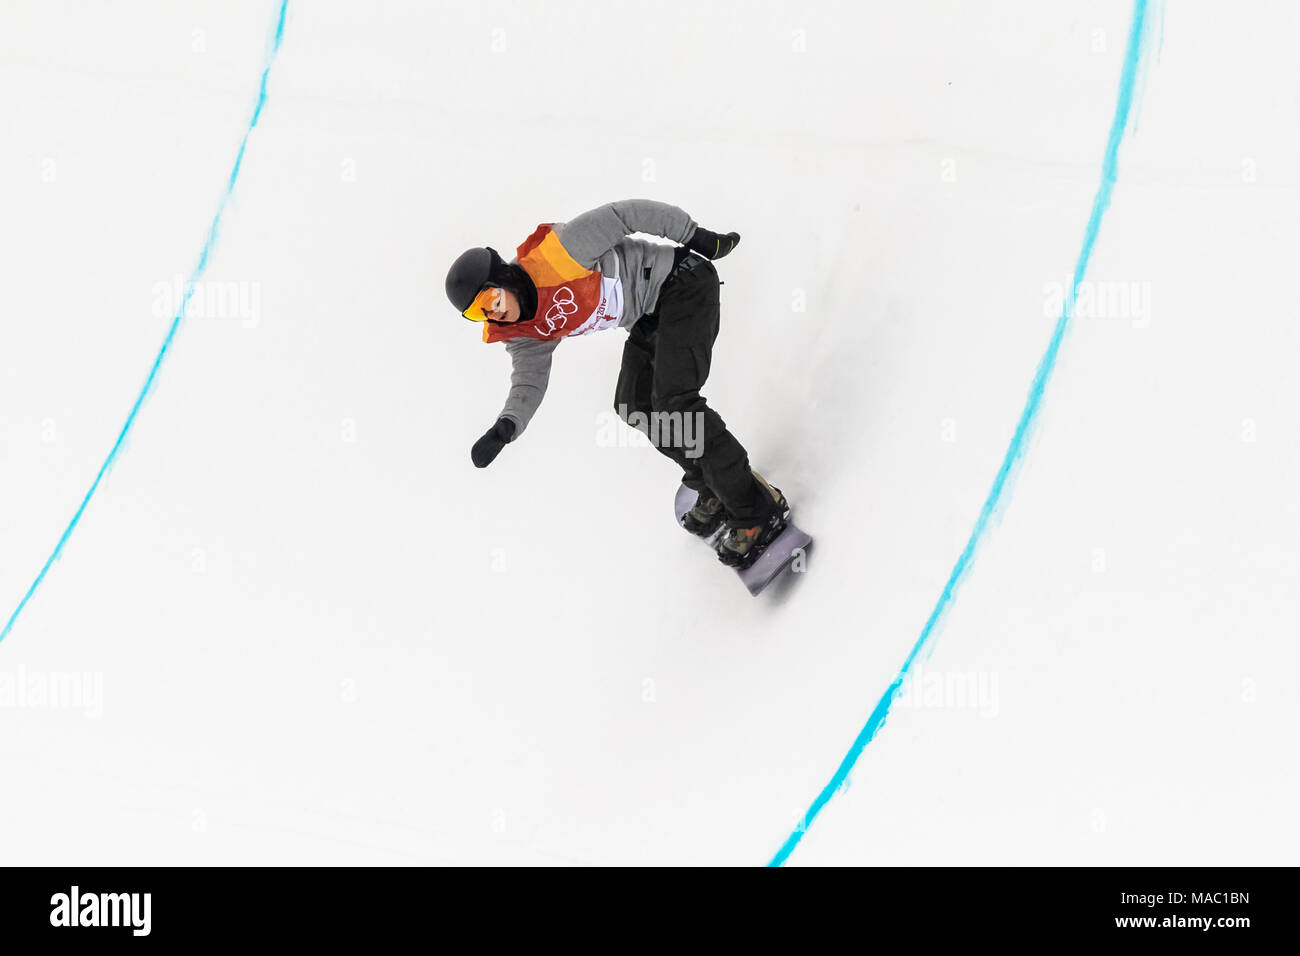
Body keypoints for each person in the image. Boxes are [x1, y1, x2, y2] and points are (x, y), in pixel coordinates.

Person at [445, 199, 789, 569]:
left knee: (676, 402)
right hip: (651, 315)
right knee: (633, 404)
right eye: (478, 312)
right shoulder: (522, 332)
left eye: (490, 298)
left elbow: (625, 215)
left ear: (504, 278)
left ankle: (756, 509)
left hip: (683, 284)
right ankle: (712, 486)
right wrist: (506, 426)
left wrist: (698, 237)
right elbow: (528, 382)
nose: (493, 312)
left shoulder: (560, 253)